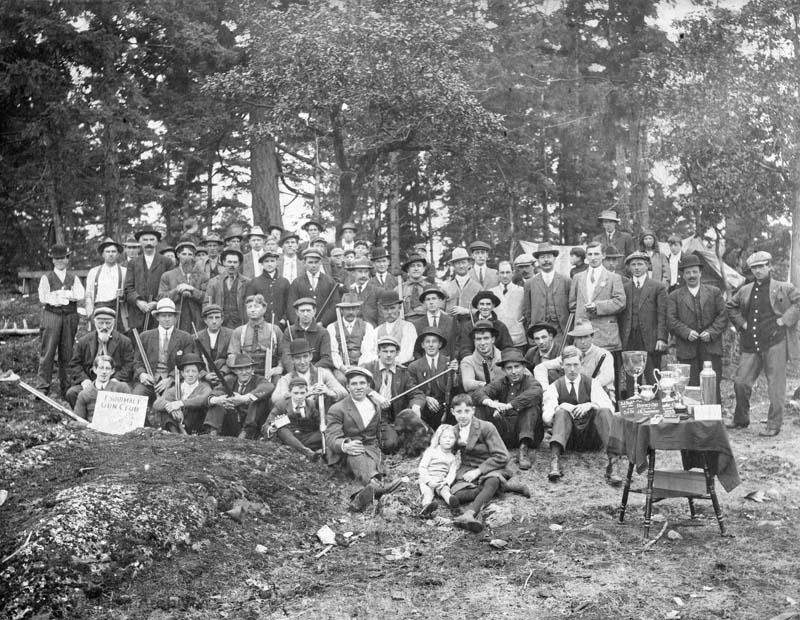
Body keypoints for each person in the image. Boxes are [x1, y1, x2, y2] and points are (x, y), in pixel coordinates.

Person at [727, 251, 800, 436]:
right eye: (754, 268)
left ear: (770, 266)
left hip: (775, 341)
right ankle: (741, 419)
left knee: (776, 386)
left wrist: (785, 320)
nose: (758, 271)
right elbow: (731, 306)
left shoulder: (784, 287)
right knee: (741, 382)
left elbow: (798, 303)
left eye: (762, 266)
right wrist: (742, 323)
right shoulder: (745, 289)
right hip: (750, 342)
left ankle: (774, 424)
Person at [325, 367, 406, 512]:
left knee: (370, 457)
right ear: (347, 386)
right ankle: (376, 485)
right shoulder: (338, 409)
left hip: (371, 448)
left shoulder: (375, 405)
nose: (358, 387)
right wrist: (345, 445)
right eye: (354, 384)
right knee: (356, 452)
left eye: (362, 383)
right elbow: (331, 436)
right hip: (347, 452)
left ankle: (363, 494)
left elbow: (376, 432)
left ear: (368, 386)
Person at [450, 394, 529, 533]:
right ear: (452, 412)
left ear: (473, 410)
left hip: (492, 465)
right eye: (459, 412)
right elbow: (447, 453)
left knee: (491, 480)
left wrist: (478, 471)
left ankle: (470, 514)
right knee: (455, 496)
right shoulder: (454, 430)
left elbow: (503, 456)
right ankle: (506, 487)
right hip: (467, 467)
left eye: (467, 411)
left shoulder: (486, 427)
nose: (463, 416)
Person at [542, 346, 620, 485]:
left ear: (581, 364)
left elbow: (609, 410)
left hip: (592, 438)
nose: (572, 369)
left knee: (603, 411)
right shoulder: (555, 386)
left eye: (576, 364)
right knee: (560, 412)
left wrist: (590, 404)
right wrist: (561, 406)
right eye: (568, 365)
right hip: (568, 440)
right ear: (562, 365)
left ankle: (613, 464)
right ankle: (555, 462)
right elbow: (547, 417)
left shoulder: (592, 383)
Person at [667, 254, 727, 404]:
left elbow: (723, 316)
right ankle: (693, 423)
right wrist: (686, 332)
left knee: (712, 385)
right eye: (687, 272)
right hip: (687, 349)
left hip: (711, 348)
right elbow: (671, 319)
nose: (691, 275)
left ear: (700, 273)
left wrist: (712, 332)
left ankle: (714, 422)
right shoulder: (675, 296)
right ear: (683, 275)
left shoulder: (714, 292)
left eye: (694, 271)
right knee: (690, 387)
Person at [569, 241, 625, 395]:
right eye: (590, 254)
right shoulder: (578, 277)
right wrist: (582, 321)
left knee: (608, 380)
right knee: (585, 377)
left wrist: (598, 307)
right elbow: (573, 304)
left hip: (606, 335)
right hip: (583, 336)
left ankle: (612, 411)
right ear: (586, 256)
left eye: (596, 254)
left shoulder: (613, 278)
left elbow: (620, 302)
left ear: (603, 256)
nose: (593, 257)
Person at [360, 336, 429, 456]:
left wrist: (416, 406)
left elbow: (416, 393)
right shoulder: (367, 368)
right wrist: (373, 394)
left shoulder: (402, 372)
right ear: (378, 352)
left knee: (423, 437)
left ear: (397, 353)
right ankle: (391, 438)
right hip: (374, 417)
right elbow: (355, 385)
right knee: (389, 446)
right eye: (385, 351)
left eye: (392, 351)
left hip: (395, 416)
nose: (388, 355)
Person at [475, 348, 543, 469]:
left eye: (517, 367)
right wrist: (491, 403)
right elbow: (478, 394)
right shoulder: (501, 382)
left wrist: (509, 406)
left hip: (528, 434)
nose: (514, 371)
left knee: (531, 407)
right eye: (509, 368)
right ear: (503, 370)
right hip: (506, 431)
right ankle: (482, 445)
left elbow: (535, 393)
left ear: (523, 367)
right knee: (481, 405)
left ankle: (523, 450)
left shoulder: (531, 382)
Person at [131, 298, 195, 416]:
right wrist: (142, 374)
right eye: (163, 315)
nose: (166, 319)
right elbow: (136, 361)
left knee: (169, 403)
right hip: (149, 380)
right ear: (157, 317)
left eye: (170, 316)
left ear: (175, 318)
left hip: (172, 382)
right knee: (136, 398)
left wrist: (170, 379)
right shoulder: (145, 336)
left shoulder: (185, 338)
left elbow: (187, 364)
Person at [35, 244, 85, 394]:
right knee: (48, 350)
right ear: (52, 260)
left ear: (67, 259)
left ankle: (67, 386)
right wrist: (62, 295)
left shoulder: (73, 277)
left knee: (67, 351)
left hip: (70, 316)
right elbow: (44, 298)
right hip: (52, 315)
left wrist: (63, 295)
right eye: (57, 258)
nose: (60, 261)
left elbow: (79, 294)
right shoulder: (47, 277)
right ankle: (43, 386)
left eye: (63, 258)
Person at [66, 307, 134, 408]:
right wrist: (84, 380)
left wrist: (116, 379)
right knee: (72, 393)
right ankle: (86, 418)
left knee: (125, 393)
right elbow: (74, 364)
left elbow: (129, 365)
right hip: (91, 382)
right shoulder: (84, 341)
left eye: (108, 323)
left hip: (114, 381)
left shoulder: (124, 341)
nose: (104, 327)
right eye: (101, 323)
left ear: (114, 322)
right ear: (95, 322)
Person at [619, 251, 668, 393]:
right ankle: (632, 409)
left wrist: (661, 338)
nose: (636, 267)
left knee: (652, 375)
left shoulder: (657, 287)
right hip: (629, 338)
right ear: (629, 268)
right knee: (631, 377)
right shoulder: (625, 287)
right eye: (633, 265)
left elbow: (662, 315)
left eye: (640, 264)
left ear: (647, 266)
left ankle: (657, 407)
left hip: (650, 339)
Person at [534, 319, 615, 396]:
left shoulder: (603, 354)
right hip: (578, 397)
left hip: (600, 394)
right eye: (579, 338)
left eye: (586, 337)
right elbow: (540, 367)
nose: (583, 341)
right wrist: (545, 390)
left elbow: (608, 376)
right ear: (575, 339)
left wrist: (587, 386)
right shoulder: (570, 354)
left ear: (592, 336)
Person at [205, 353, 274, 438]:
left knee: (257, 400)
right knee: (217, 402)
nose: (244, 372)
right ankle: (213, 433)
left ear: (252, 369)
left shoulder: (258, 380)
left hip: (252, 426)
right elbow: (213, 394)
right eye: (240, 369)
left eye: (247, 368)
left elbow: (268, 387)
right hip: (233, 423)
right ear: (235, 371)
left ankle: (245, 434)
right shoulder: (230, 381)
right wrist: (218, 400)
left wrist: (244, 398)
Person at [407, 326, 461, 428]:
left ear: (440, 344)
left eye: (434, 342)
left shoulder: (449, 363)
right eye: (427, 342)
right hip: (423, 407)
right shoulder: (414, 366)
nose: (431, 345)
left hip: (445, 407)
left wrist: (456, 372)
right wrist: (426, 398)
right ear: (422, 345)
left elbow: (456, 387)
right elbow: (411, 389)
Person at [262, 377, 323, 461]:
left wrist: (322, 425)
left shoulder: (311, 404)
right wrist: (272, 428)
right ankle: (308, 452)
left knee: (326, 434)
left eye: (302, 393)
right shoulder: (281, 404)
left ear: (307, 392)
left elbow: (318, 423)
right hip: (288, 437)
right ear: (290, 393)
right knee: (282, 430)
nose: (299, 396)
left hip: (306, 437)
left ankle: (298, 449)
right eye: (296, 393)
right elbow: (266, 425)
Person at [523, 242, 571, 347]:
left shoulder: (566, 281)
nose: (546, 260)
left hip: (561, 332)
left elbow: (572, 308)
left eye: (549, 257)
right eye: (542, 257)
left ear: (554, 259)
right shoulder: (529, 283)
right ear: (537, 261)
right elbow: (527, 311)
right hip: (539, 333)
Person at [124, 226, 171, 333]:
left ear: (157, 242)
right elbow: (128, 287)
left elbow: (170, 286)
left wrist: (157, 302)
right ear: (140, 242)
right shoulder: (133, 263)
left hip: (159, 311)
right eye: (145, 240)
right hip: (137, 312)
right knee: (138, 345)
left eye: (152, 239)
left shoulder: (166, 262)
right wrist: (138, 301)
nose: (148, 242)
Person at [272, 338, 346, 404]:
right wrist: (304, 394)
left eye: (305, 356)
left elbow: (344, 393)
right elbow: (275, 399)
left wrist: (329, 392)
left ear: (311, 356)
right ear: (292, 359)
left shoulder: (322, 373)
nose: (302, 362)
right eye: (298, 358)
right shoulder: (287, 379)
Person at [152, 353, 213, 434]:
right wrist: (171, 408)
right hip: (177, 425)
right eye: (187, 371)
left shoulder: (205, 387)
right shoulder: (178, 388)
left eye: (194, 371)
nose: (190, 374)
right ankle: (175, 434)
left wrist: (180, 403)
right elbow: (157, 403)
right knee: (166, 411)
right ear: (182, 374)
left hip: (195, 425)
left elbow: (202, 400)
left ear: (199, 374)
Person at [228, 294, 284, 381]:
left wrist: (279, 367)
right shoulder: (239, 332)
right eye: (249, 307)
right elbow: (232, 355)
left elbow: (283, 354)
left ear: (264, 309)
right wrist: (240, 369)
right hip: (246, 373)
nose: (252, 310)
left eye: (256, 307)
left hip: (270, 373)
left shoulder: (274, 330)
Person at [158, 239, 209, 333]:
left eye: (190, 254)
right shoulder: (168, 275)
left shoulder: (203, 276)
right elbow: (161, 297)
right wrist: (177, 290)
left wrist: (193, 290)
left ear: (194, 256)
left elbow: (208, 297)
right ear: (178, 255)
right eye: (184, 254)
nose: (187, 258)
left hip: (197, 319)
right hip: (176, 319)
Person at [286, 248, 340, 327]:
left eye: (316, 262)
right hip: (302, 328)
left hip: (324, 327)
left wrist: (323, 322)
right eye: (310, 262)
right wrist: (299, 324)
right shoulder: (297, 282)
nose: (314, 265)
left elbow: (334, 305)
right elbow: (291, 306)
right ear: (304, 263)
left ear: (320, 263)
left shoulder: (330, 282)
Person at [328, 293, 378, 378]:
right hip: (342, 367)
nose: (351, 312)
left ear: (358, 309)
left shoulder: (367, 326)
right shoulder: (332, 327)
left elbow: (368, 351)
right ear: (341, 310)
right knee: (341, 379)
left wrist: (359, 368)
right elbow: (333, 352)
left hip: (362, 366)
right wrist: (341, 367)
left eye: (353, 309)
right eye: (347, 309)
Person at [417, 424, 461, 517]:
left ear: (455, 441)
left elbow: (452, 473)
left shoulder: (452, 458)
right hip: (428, 479)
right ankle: (426, 507)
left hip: (441, 480)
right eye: (444, 437)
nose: (448, 439)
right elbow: (422, 467)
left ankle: (453, 504)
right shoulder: (431, 451)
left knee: (445, 491)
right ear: (439, 438)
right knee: (428, 493)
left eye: (451, 437)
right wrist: (429, 481)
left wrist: (446, 482)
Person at [281, 297, 334, 371]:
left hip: (317, 369)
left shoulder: (323, 332)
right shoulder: (289, 331)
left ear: (314, 311)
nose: (305, 314)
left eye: (308, 311)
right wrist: (294, 370)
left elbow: (326, 358)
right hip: (295, 369)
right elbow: (286, 356)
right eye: (302, 311)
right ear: (296, 312)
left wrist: (310, 370)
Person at [73, 355, 131, 422]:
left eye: (107, 368)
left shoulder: (122, 388)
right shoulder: (84, 394)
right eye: (101, 368)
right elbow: (77, 421)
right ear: (95, 370)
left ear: (112, 371)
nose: (104, 372)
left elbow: (130, 416)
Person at [85, 237, 127, 327]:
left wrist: (123, 295)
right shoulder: (94, 272)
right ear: (103, 254)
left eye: (113, 251)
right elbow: (88, 295)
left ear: (118, 254)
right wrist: (90, 314)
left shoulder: (124, 272)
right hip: (99, 309)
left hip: (117, 309)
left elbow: (129, 292)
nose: (110, 254)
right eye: (107, 252)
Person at [457, 290, 512, 358]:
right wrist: (473, 362)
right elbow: (465, 349)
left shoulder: (500, 326)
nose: (485, 307)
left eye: (488, 304)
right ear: (477, 306)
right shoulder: (468, 326)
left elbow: (507, 348)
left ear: (493, 306)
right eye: (482, 304)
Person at [243, 248, 290, 326]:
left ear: (277, 263)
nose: (269, 264)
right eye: (266, 261)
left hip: (280, 323)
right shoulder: (255, 282)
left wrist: (284, 319)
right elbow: (249, 303)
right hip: (260, 323)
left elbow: (288, 303)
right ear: (262, 264)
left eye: (272, 261)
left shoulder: (284, 282)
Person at [205, 248, 249, 329]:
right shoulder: (214, 282)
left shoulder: (247, 282)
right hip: (220, 324)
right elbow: (207, 303)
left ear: (239, 264)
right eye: (229, 262)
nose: (232, 265)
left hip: (240, 324)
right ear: (224, 263)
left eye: (235, 262)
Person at [460, 320, 504, 397]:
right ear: (474, 341)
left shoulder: (505, 356)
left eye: (486, 338)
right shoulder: (468, 361)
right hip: (481, 402)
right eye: (479, 339)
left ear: (493, 339)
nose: (482, 343)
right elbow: (467, 384)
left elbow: (526, 375)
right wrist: (485, 384)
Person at [374, 290, 418, 365]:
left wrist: (389, 363)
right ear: (381, 310)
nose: (389, 312)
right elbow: (372, 353)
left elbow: (407, 354)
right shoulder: (377, 330)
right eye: (385, 309)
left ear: (399, 308)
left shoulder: (408, 327)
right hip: (381, 367)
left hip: (402, 367)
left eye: (392, 308)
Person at [491, 260, 526, 351]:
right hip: (498, 340)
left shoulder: (522, 291)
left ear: (513, 273)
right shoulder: (491, 292)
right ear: (497, 274)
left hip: (518, 340)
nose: (505, 276)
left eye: (507, 272)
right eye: (502, 273)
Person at [411, 286, 456, 358]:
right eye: (428, 299)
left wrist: (452, 359)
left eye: (434, 299)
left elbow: (457, 345)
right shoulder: (417, 325)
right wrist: (423, 362)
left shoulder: (451, 321)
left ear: (440, 301)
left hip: (447, 363)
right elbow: (415, 350)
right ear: (424, 303)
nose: (431, 302)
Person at [194, 304, 233, 381]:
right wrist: (204, 375)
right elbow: (195, 360)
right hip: (204, 376)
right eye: (211, 318)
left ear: (222, 320)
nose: (214, 321)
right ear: (205, 320)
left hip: (225, 375)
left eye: (217, 317)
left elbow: (232, 358)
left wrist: (222, 372)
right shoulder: (196, 337)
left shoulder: (231, 334)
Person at [442, 248, 481, 318]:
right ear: (453, 266)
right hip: (451, 326)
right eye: (457, 263)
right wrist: (447, 316)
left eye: (463, 262)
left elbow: (483, 310)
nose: (461, 266)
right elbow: (439, 309)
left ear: (469, 264)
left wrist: (467, 311)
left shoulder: (478, 287)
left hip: (471, 326)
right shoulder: (446, 287)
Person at [347, 257, 380, 325]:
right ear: (353, 273)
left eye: (366, 272)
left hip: (372, 331)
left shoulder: (377, 291)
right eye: (360, 271)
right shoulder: (348, 292)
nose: (363, 275)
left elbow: (382, 316)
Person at [401, 253, 430, 319]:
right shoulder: (400, 289)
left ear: (424, 269)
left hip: (426, 323)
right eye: (412, 266)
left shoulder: (429, 288)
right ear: (408, 269)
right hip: (407, 324)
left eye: (419, 265)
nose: (416, 269)